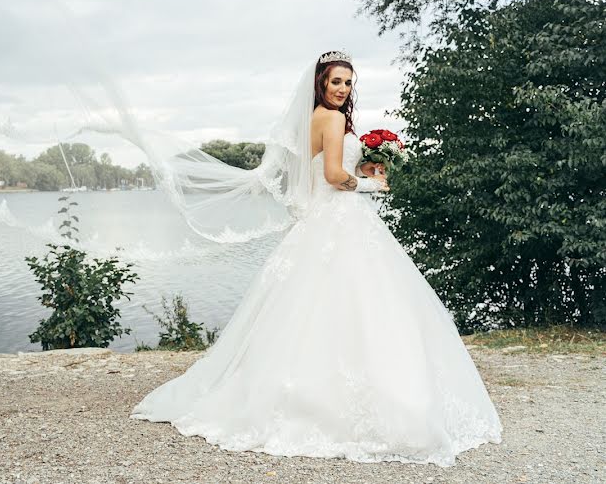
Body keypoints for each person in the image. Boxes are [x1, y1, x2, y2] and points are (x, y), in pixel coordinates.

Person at [129, 51, 503, 467]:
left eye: (348, 83)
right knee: (362, 303)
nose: (342, 89)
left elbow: (324, 167)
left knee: (321, 307)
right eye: (335, 82)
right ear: (320, 84)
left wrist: (364, 165)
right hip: (340, 218)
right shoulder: (331, 118)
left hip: (327, 220)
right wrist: (373, 184)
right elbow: (333, 177)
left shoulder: (315, 120)